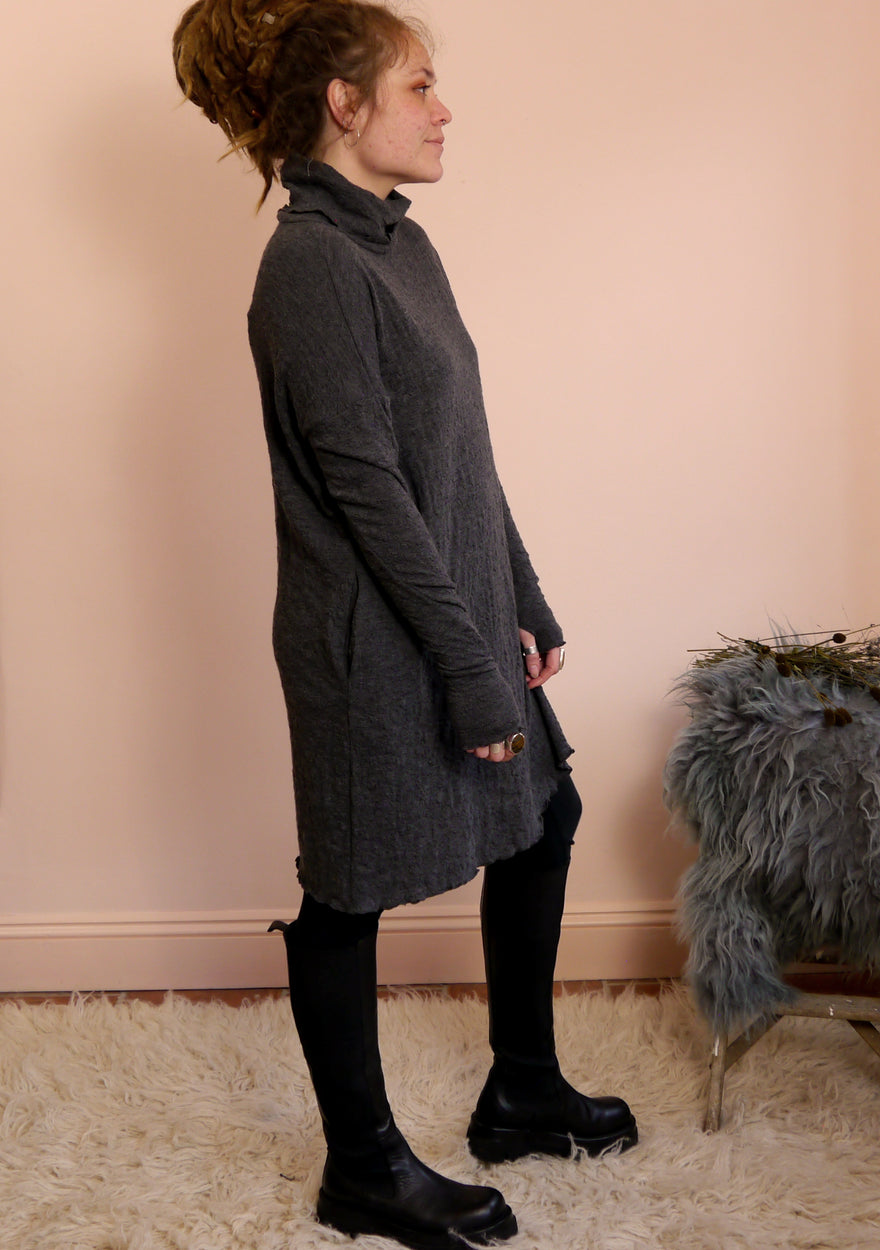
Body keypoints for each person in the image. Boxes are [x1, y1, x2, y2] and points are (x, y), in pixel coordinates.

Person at [172, 2, 637, 1246]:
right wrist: (469, 668)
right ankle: (363, 1165)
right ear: (343, 102)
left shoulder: (399, 247)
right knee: (350, 888)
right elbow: (368, 492)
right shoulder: (309, 263)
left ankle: (521, 1088)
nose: (443, 108)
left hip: (457, 608)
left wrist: (520, 601)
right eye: (420, 84)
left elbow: (457, 455)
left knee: (547, 815)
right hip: (371, 638)